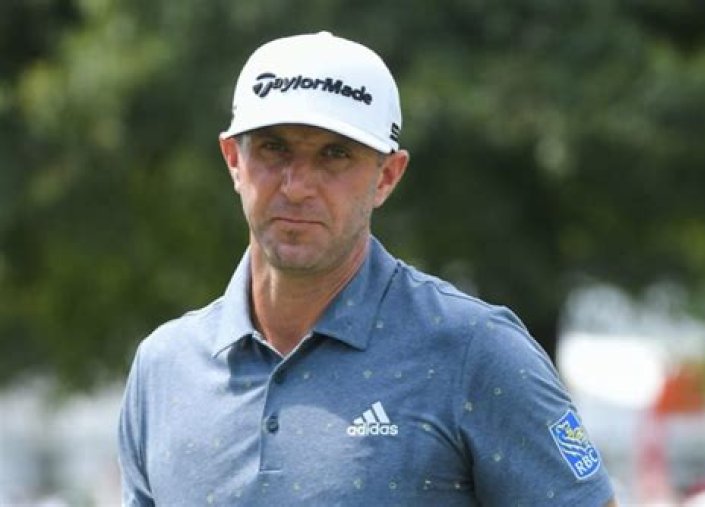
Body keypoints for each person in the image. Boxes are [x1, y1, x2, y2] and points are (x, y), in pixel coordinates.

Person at [118, 31, 618, 506]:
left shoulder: (474, 350)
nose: (297, 186)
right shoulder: (163, 368)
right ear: (233, 159)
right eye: (274, 148)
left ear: (387, 176)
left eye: (335, 154)